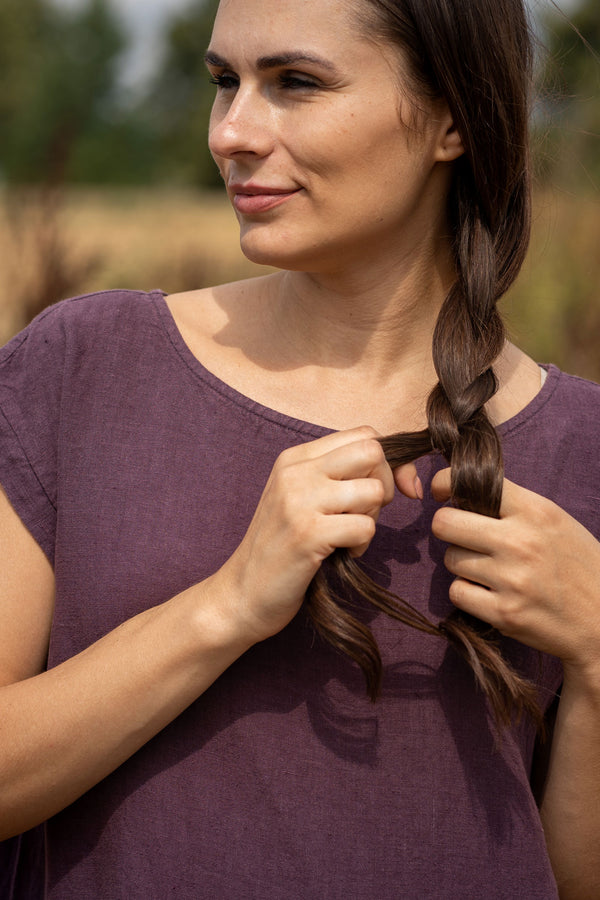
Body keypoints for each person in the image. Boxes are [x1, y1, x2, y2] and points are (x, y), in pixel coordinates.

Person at [0, 0, 599, 897]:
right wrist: (229, 604)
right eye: (223, 83)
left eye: (295, 83)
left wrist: (597, 655)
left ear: (451, 118)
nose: (231, 132)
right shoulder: (85, 366)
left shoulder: (582, 445)